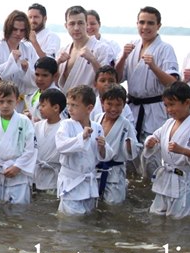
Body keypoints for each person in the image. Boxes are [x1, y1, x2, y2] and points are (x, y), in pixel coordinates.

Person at [143, 82, 190, 219]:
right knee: (156, 216)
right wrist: (150, 142)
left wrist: (183, 150)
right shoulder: (168, 123)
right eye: (166, 105)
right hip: (166, 178)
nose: (169, 109)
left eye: (172, 104)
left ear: (187, 102)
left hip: (184, 181)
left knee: (180, 221)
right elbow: (155, 136)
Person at [115, 6, 179, 143]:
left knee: (152, 153)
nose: (145, 26)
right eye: (142, 22)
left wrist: (154, 67)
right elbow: (118, 79)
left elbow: (173, 83)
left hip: (155, 109)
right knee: (129, 151)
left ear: (158, 26)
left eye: (150, 23)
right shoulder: (131, 46)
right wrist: (123, 57)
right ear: (137, 24)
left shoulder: (165, 49)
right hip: (132, 108)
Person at [56, 85, 111, 215]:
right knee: (71, 222)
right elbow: (61, 146)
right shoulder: (65, 125)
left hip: (89, 184)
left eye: (74, 105)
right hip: (71, 183)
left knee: (87, 221)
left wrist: (102, 147)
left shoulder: (97, 127)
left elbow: (103, 156)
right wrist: (82, 136)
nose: (69, 109)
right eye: (68, 104)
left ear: (89, 108)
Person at [0, 81, 36, 204]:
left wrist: (18, 166)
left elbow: (31, 148)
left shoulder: (24, 121)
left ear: (17, 101)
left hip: (17, 170)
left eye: (10, 101)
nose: (5, 105)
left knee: (18, 210)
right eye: (1, 101)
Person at [94, 84, 140, 205]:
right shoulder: (97, 118)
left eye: (118, 105)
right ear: (102, 102)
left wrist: (129, 144)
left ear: (124, 105)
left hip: (115, 172)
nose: (113, 109)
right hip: (96, 170)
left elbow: (133, 151)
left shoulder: (126, 125)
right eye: (109, 104)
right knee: (94, 205)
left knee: (113, 207)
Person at [0, 10, 39, 110]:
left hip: (20, 103)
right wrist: (12, 62)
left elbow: (37, 78)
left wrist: (27, 69)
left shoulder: (29, 48)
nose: (18, 33)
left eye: (22, 30)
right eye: (15, 29)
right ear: (8, 28)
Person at [56, 6, 114, 91]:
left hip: (91, 102)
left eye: (80, 23)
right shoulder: (62, 51)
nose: (76, 28)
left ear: (86, 24)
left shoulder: (102, 49)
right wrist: (57, 63)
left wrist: (93, 60)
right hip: (66, 101)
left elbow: (107, 81)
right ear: (66, 26)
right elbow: (53, 81)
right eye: (72, 24)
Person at [33, 88, 66, 194]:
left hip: (54, 174)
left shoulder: (65, 127)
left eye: (43, 106)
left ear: (56, 107)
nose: (40, 109)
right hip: (37, 173)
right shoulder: (37, 126)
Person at [24, 57, 60, 122]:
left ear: (55, 76)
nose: (40, 79)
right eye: (37, 75)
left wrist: (36, 121)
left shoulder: (57, 96)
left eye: (45, 75)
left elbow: (59, 121)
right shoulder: (34, 92)